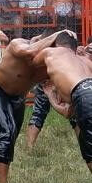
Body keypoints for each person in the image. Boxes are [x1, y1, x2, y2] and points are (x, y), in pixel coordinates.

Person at [0, 30, 77, 183]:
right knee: (6, 132)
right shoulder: (19, 44)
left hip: (18, 96)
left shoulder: (50, 63)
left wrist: (58, 102)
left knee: (3, 137)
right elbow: (29, 52)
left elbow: (55, 94)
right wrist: (58, 34)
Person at [34, 40, 92, 173]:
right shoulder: (81, 60)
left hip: (83, 94)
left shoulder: (52, 54)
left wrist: (50, 96)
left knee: (90, 156)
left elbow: (33, 61)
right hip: (83, 93)